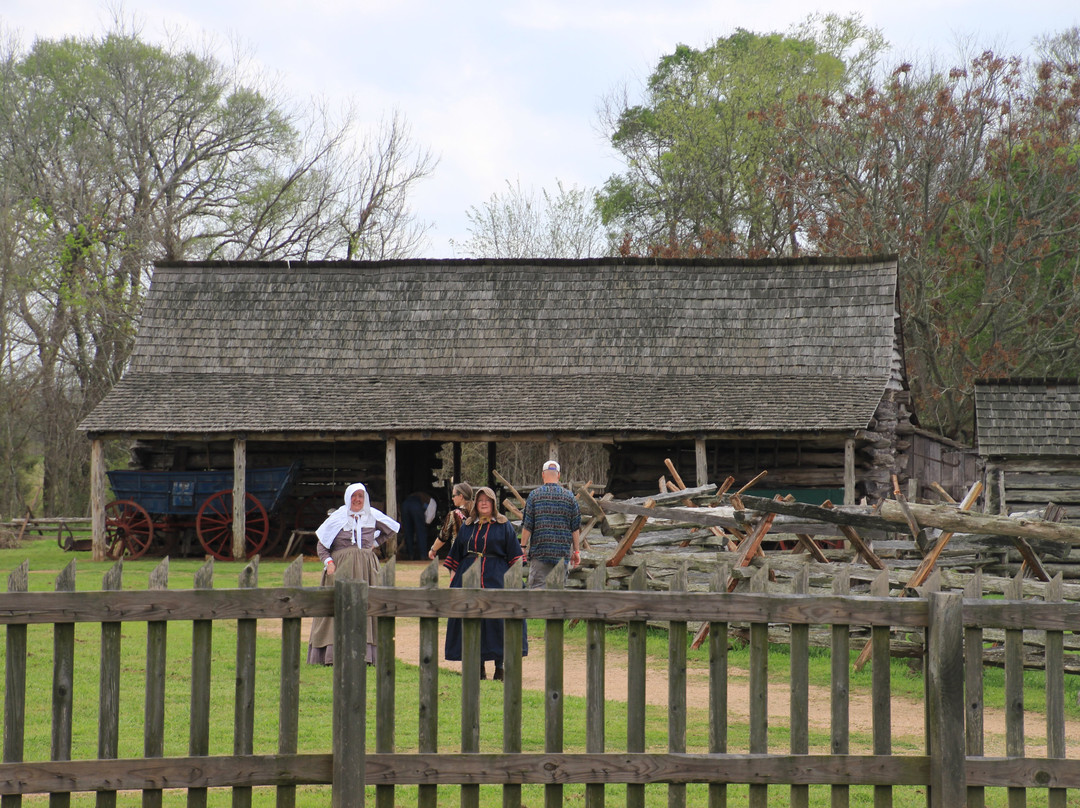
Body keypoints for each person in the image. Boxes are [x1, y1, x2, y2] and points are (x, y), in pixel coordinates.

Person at [307, 482, 399, 666]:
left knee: (367, 608)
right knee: (336, 608)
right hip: (341, 570)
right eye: (354, 496)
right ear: (348, 498)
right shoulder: (337, 517)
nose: (357, 499)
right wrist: (329, 563)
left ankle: (365, 655)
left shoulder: (371, 516)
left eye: (360, 496)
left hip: (366, 571)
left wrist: (373, 544)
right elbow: (322, 546)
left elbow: (391, 529)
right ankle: (332, 654)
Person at [443, 486, 527, 680]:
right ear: (475, 504)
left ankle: (500, 666)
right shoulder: (468, 526)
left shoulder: (503, 525)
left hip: (497, 577)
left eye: (487, 500)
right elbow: (455, 555)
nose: (483, 503)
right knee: (472, 619)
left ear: (493, 503)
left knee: (498, 621)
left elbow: (515, 556)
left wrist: (515, 582)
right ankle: (477, 665)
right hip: (468, 577)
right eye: (480, 500)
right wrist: (454, 579)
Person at [521, 459, 582, 589]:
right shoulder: (570, 497)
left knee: (537, 592)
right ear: (559, 475)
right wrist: (576, 551)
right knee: (558, 594)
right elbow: (575, 528)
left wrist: (523, 546)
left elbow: (528, 526)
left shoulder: (534, 496)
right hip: (562, 554)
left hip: (540, 553)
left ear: (543, 474)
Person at [428, 481, 473, 560]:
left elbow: (443, 537)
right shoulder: (480, 513)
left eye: (454, 495)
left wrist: (433, 549)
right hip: (478, 556)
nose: (452, 498)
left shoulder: (454, 514)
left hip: (459, 556)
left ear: (461, 496)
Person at [399, 491, 437, 560]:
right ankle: (423, 555)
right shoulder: (432, 501)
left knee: (408, 531)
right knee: (421, 532)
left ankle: (410, 555)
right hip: (416, 506)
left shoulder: (419, 496)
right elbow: (429, 519)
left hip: (405, 505)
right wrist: (425, 525)